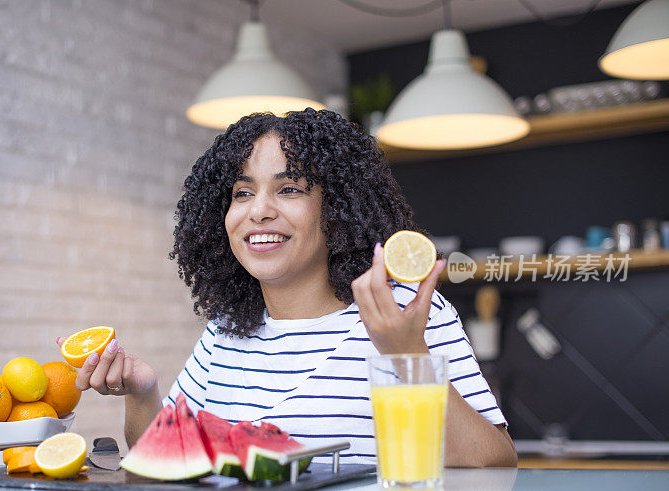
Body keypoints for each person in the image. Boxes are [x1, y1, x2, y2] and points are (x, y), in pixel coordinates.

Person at [61, 108, 517, 467]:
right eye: (242, 193)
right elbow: (161, 456)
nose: (258, 211)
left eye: (290, 189)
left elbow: (492, 460)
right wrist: (143, 393)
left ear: (336, 208)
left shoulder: (404, 309)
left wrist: (405, 353)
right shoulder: (224, 331)